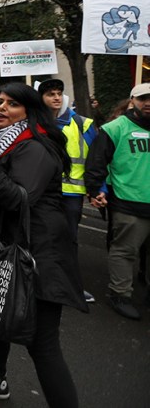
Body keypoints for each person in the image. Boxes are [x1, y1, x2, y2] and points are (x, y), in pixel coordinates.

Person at [0, 83, 85, 405]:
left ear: (28, 111)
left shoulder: (35, 147)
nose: (1, 108)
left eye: (12, 104)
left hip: (40, 253)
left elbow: (17, 199)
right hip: (10, 245)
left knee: (42, 343)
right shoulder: (4, 145)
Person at [85, 82, 150, 321]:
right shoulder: (115, 129)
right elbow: (96, 163)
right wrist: (95, 190)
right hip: (128, 203)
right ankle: (120, 294)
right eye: (143, 98)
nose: (149, 103)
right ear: (132, 101)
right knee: (124, 251)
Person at [39, 78, 98, 303]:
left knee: (69, 239)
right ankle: (43, 282)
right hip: (43, 192)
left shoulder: (83, 124)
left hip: (71, 194)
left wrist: (98, 188)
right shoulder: (34, 123)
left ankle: (72, 285)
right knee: (44, 237)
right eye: (50, 94)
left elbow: (96, 159)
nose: (55, 97)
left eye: (58, 93)